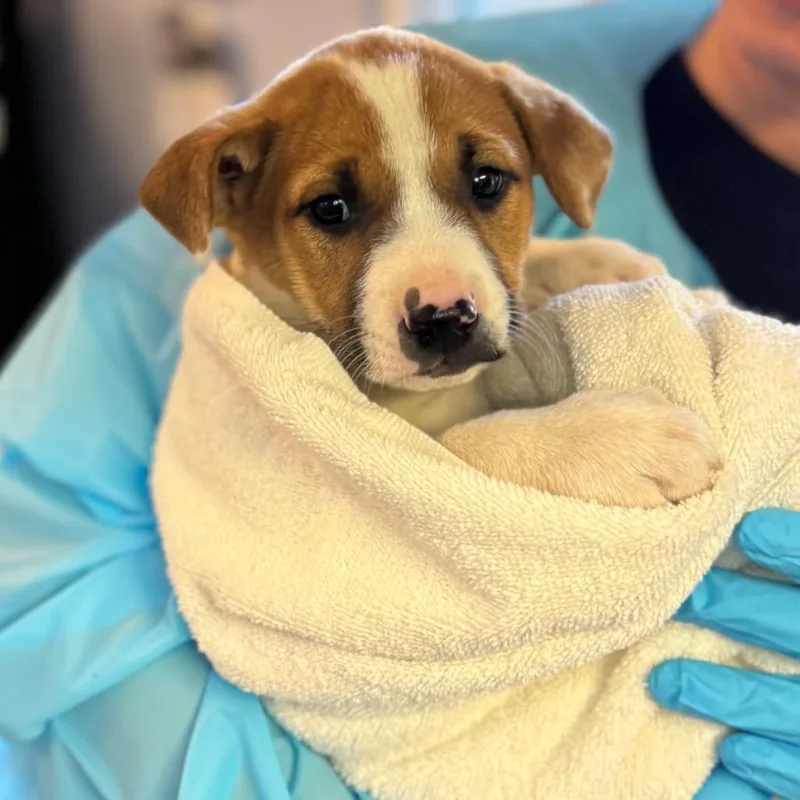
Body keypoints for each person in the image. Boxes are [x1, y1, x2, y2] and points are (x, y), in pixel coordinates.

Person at [0, 1, 797, 798]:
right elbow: (37, 569)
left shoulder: (519, 115)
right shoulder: (349, 101)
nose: (441, 298)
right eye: (336, 211)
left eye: (484, 184)